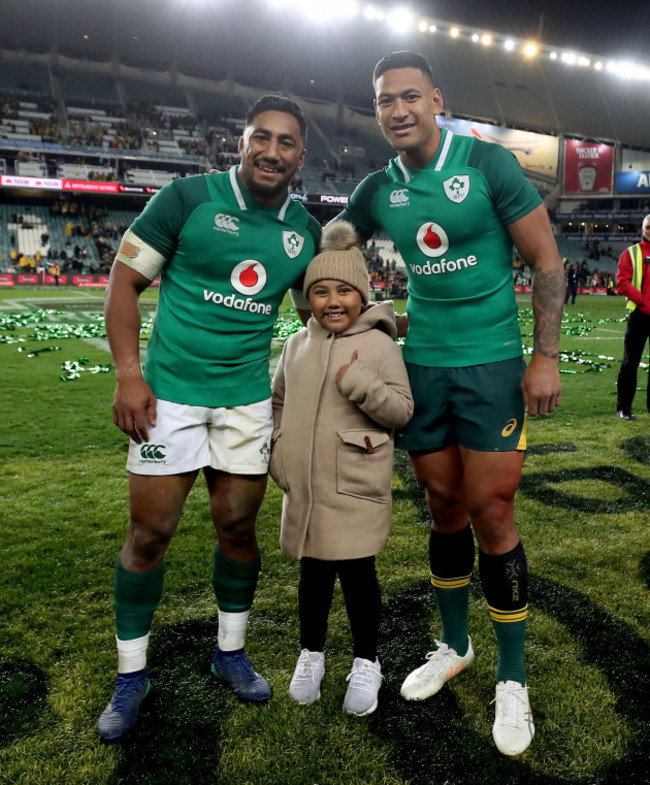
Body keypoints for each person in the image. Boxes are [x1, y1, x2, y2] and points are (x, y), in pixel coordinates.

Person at [334, 50, 564, 756]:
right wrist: (361, 312)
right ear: (376, 112)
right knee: (443, 508)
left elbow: (547, 262)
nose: (398, 110)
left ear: (436, 98)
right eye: (384, 101)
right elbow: (332, 252)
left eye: (409, 96)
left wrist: (545, 356)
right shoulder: (378, 189)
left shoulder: (488, 164)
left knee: (493, 512)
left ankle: (513, 677)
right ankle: (455, 644)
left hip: (492, 365)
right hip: (422, 370)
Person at [98, 94, 321, 741]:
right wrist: (129, 375)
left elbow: (319, 314)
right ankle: (131, 674)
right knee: (150, 533)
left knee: (237, 529)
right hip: (169, 397)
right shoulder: (187, 199)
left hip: (246, 402)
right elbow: (123, 282)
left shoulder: (302, 231)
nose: (272, 151)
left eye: (285, 142)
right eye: (261, 137)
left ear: (300, 156)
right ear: (242, 141)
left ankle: (230, 652)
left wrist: (392, 325)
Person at [270, 221, 413, 716]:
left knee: (357, 577)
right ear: (309, 298)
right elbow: (278, 402)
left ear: (363, 294)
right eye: (321, 290)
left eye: (345, 290)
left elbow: (400, 411)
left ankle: (366, 661)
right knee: (312, 576)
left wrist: (362, 384)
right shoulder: (295, 346)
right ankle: (311, 654)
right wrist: (278, 448)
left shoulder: (379, 345)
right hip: (306, 486)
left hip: (354, 485)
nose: (333, 300)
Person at [615, 213, 650, 420]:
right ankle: (624, 408)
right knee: (630, 364)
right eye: (648, 227)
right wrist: (643, 300)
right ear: (642, 229)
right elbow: (622, 282)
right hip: (640, 315)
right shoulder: (631, 253)